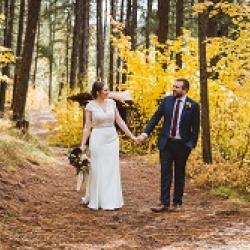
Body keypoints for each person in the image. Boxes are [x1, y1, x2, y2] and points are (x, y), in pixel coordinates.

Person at [137, 78, 200, 212]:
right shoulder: (167, 101)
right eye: (174, 86)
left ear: (185, 90)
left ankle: (177, 202)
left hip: (182, 145)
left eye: (177, 87)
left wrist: (191, 145)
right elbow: (155, 118)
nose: (174, 89)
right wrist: (145, 133)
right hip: (166, 143)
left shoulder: (193, 105)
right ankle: (164, 203)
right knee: (165, 173)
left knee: (179, 173)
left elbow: (196, 128)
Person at [81, 81, 138, 210]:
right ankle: (97, 200)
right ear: (98, 92)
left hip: (112, 139)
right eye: (105, 90)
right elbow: (87, 126)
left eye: (108, 90)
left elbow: (120, 121)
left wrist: (132, 136)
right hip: (97, 138)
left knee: (111, 169)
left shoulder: (112, 103)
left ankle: (111, 200)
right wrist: (82, 145)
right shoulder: (90, 106)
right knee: (97, 168)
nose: (108, 92)